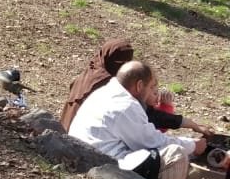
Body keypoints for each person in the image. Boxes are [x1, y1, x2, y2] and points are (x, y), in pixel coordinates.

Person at [69, 60, 204, 179]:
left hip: (86, 156)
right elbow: (153, 142)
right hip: (104, 166)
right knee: (175, 153)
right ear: (139, 86)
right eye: (151, 87)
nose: (153, 92)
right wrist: (193, 145)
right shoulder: (126, 106)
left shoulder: (105, 92)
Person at [60, 37, 208, 138]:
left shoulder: (89, 74)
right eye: (119, 62)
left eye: (126, 63)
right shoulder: (110, 86)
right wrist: (189, 124)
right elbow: (145, 118)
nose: (121, 67)